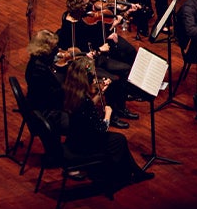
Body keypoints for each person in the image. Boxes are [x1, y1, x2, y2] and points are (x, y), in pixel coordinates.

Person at [63, 56, 153, 188]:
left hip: (74, 138)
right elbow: (101, 129)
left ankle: (134, 172)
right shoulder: (84, 102)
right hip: (84, 145)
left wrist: (99, 94)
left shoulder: (71, 91)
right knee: (119, 139)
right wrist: (108, 114)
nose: (95, 79)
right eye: (93, 76)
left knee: (118, 139)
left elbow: (86, 108)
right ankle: (118, 174)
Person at [56, 0, 135, 129]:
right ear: (79, 7)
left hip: (95, 56)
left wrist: (112, 28)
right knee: (112, 80)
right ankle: (113, 115)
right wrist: (99, 50)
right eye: (87, 4)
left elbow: (96, 32)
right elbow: (75, 56)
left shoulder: (83, 19)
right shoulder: (70, 27)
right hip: (82, 65)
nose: (90, 6)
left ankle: (121, 107)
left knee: (125, 69)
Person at [25, 29, 69, 135]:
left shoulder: (36, 62)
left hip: (46, 107)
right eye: (54, 48)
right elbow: (52, 95)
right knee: (79, 122)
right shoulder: (38, 70)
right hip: (46, 115)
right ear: (46, 50)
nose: (57, 50)